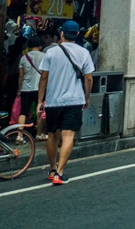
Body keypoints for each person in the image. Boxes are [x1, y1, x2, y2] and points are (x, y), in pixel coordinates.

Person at [37, 20, 94, 185]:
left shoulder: (51, 53)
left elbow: (43, 77)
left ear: (62, 34)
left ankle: (52, 168)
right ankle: (59, 173)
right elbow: (88, 78)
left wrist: (40, 100)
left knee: (52, 135)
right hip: (74, 100)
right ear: (77, 34)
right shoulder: (84, 53)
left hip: (54, 100)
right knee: (68, 135)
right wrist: (87, 96)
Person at [16, 35, 46, 140]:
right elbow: (45, 74)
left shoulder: (24, 58)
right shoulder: (44, 56)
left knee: (23, 111)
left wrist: (19, 90)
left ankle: (19, 135)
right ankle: (39, 134)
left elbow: (21, 76)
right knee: (40, 110)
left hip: (25, 88)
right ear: (40, 45)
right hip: (39, 88)